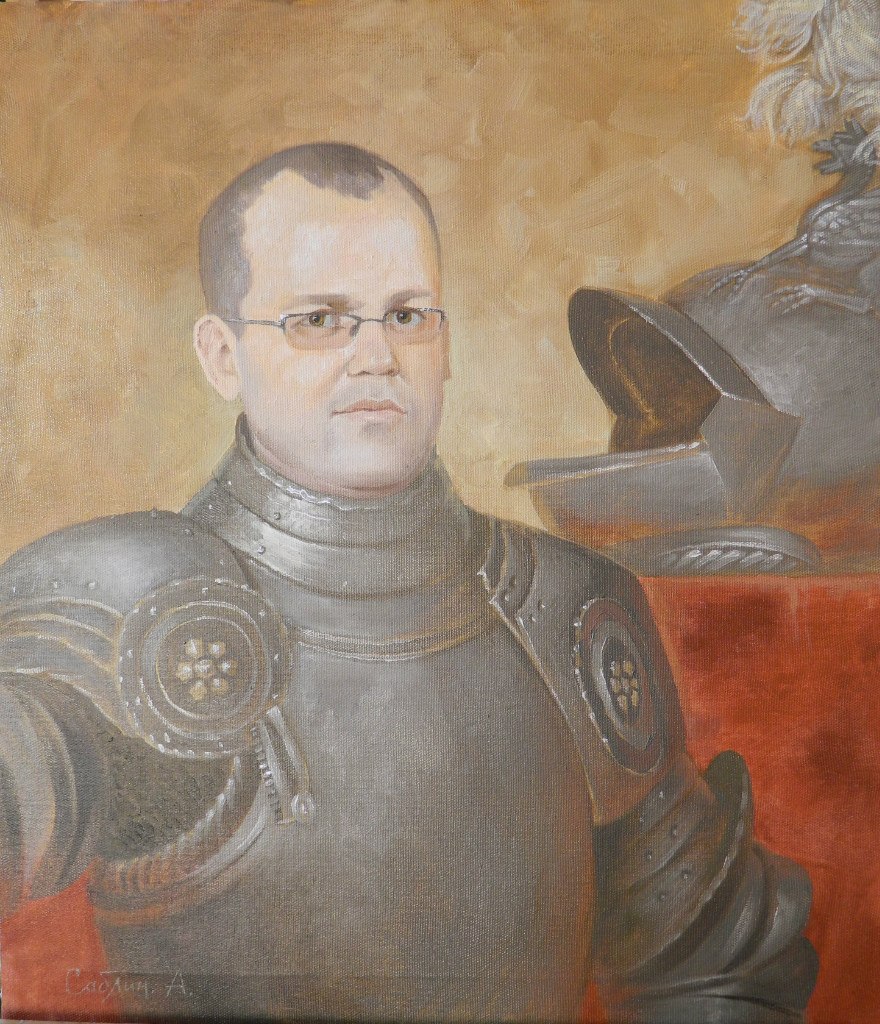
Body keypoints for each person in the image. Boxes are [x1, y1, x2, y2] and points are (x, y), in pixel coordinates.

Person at [0, 143, 817, 1023]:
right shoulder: (133, 605)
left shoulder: (567, 610)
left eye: (407, 315)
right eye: (321, 319)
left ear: (446, 343)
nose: (377, 356)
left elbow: (713, 969)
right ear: (222, 355)